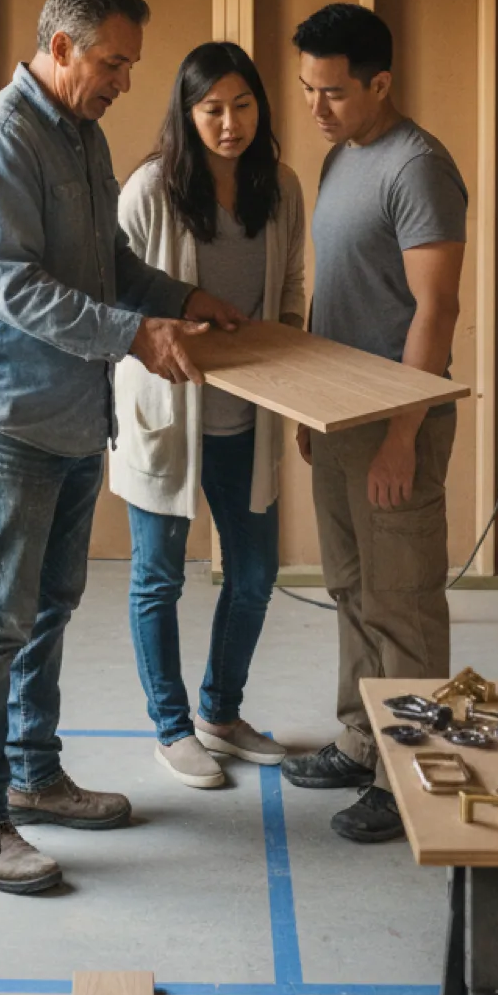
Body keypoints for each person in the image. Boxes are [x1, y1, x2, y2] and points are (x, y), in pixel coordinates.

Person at [0, 0, 246, 895]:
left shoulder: (81, 135)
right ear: (62, 46)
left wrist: (182, 299)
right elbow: (14, 289)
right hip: (7, 417)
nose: (123, 81)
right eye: (113, 62)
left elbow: (106, 264)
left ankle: (32, 775)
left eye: (130, 65)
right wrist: (137, 337)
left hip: (69, 419)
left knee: (48, 609)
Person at [278, 3, 467, 844]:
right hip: (339, 413)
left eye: (334, 92)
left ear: (381, 83)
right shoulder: (339, 159)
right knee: (351, 591)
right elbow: (335, 289)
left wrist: (399, 432)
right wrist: (313, 402)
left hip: (397, 420)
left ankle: (413, 771)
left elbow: (437, 309)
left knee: (403, 603)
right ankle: (362, 741)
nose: (316, 108)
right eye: (309, 90)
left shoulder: (418, 166)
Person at [111, 42, 305, 789]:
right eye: (212, 109)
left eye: (243, 106)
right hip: (165, 412)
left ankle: (219, 714)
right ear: (187, 115)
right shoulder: (151, 189)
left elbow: (289, 281)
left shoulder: (280, 187)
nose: (230, 124)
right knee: (158, 577)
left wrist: (288, 346)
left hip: (247, 418)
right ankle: (170, 727)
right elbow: (115, 294)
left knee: (254, 574)